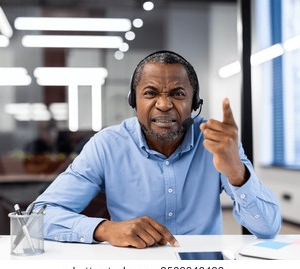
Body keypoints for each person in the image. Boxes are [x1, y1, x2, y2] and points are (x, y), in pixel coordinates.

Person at [32, 50, 281, 249]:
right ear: (134, 100)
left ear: (195, 103)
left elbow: (268, 228)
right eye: (150, 93)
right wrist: (106, 229)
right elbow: (38, 219)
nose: (164, 104)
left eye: (178, 93)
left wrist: (237, 171)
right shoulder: (107, 145)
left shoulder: (217, 142)